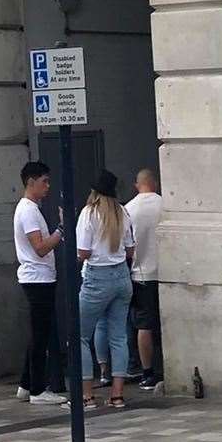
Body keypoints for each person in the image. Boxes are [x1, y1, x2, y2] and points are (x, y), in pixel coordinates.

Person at [76, 170, 136, 408]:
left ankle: (87, 395)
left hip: (97, 277)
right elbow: (131, 250)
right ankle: (117, 395)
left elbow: (83, 252)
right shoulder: (123, 212)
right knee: (119, 337)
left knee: (79, 336)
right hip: (122, 276)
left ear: (94, 192)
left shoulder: (89, 213)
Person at [13, 162, 69, 406]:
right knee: (40, 335)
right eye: (44, 181)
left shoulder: (31, 209)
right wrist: (61, 230)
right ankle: (37, 389)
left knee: (39, 331)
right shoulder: (28, 210)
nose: (47, 186)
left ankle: (26, 384)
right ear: (31, 182)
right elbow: (39, 248)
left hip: (40, 277)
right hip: (37, 278)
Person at [125, 168, 163, 391]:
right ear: (155, 184)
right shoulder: (165, 206)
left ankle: (147, 372)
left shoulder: (128, 209)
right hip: (165, 272)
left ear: (136, 185)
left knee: (143, 325)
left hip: (140, 274)